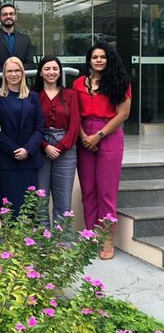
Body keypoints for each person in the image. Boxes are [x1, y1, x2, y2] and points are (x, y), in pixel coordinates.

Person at [74, 42, 131, 260]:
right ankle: (91, 236)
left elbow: (123, 114)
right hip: (84, 134)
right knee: (88, 189)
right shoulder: (79, 83)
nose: (98, 60)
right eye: (94, 57)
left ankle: (107, 239)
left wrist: (98, 136)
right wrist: (83, 137)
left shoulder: (120, 82)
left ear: (109, 59)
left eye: (102, 57)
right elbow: (75, 112)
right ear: (89, 60)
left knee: (106, 191)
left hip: (109, 135)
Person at [0, 57, 44, 218]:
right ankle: (9, 243)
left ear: (22, 73)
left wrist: (27, 149)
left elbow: (39, 127)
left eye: (17, 70)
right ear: (4, 74)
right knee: (9, 208)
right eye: (10, 71)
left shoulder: (33, 96)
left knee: (28, 207)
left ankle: (28, 243)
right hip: (6, 161)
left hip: (29, 161)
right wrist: (14, 149)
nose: (13, 74)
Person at [34, 56, 80, 228]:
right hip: (40, 147)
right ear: (40, 72)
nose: (51, 72)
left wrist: (59, 147)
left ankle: (63, 240)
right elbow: (31, 126)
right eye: (47, 69)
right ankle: (42, 240)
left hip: (66, 149)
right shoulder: (34, 96)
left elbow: (75, 125)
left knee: (63, 196)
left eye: (55, 68)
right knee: (41, 196)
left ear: (60, 71)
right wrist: (45, 147)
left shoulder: (70, 95)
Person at [0, 4, 35, 73]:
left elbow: (30, 63)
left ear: (15, 17)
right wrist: (7, 74)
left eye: (11, 14)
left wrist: (17, 73)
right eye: (5, 14)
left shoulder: (25, 39)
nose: (8, 16)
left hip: (21, 81)